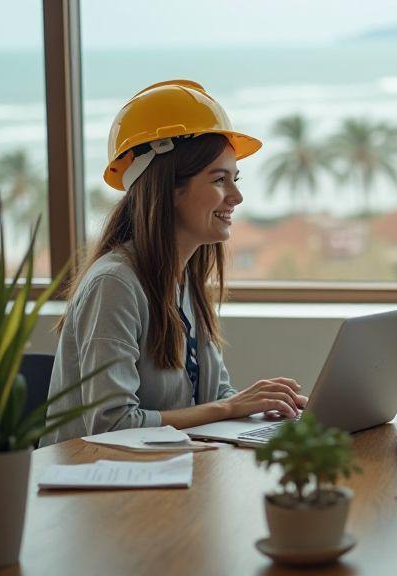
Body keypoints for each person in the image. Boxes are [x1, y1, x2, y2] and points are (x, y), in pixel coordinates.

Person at [41, 80, 307, 446]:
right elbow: (110, 426)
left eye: (235, 179)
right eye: (219, 179)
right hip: (96, 491)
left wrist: (263, 406)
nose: (237, 196)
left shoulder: (185, 283)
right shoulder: (114, 284)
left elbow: (214, 397)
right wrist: (229, 408)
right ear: (169, 188)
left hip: (163, 482)